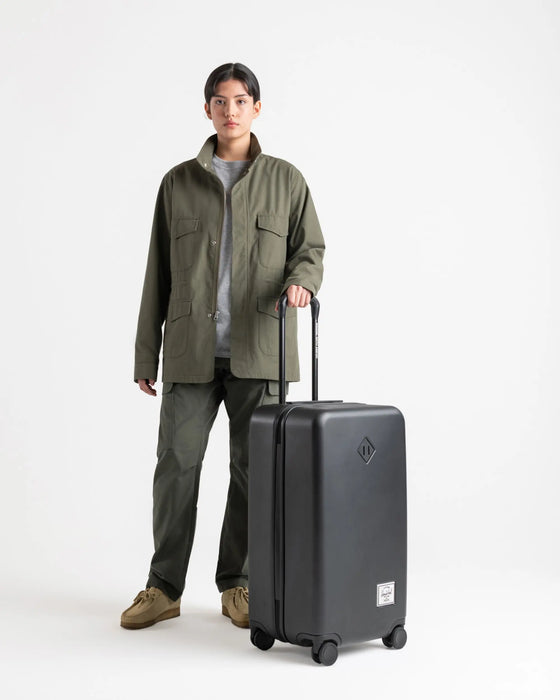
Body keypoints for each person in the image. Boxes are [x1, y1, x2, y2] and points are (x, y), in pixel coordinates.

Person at [121, 62, 326, 630]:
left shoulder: (286, 180)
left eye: (240, 101)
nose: (230, 111)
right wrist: (145, 355)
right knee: (176, 465)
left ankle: (239, 583)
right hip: (190, 351)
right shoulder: (178, 183)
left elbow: (311, 249)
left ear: (257, 107)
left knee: (254, 471)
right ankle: (163, 587)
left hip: (261, 349)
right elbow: (157, 274)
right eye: (220, 101)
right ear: (207, 109)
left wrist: (302, 281)